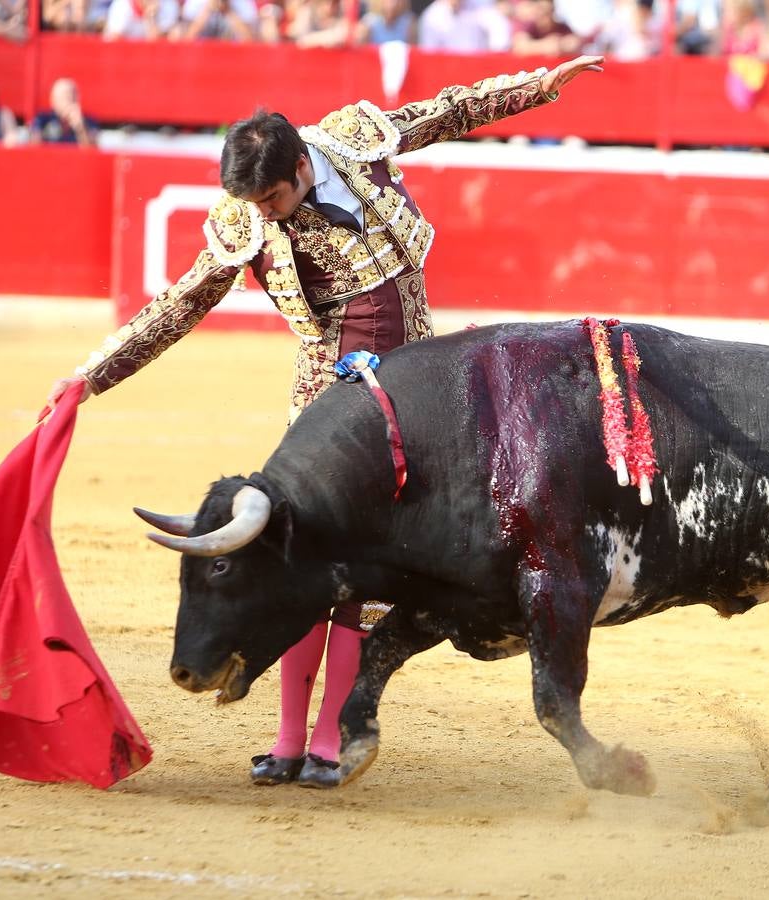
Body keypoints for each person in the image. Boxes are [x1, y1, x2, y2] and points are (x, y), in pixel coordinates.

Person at [46, 54, 606, 789]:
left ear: (304, 165)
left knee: (371, 573)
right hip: (326, 399)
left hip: (418, 388)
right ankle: (287, 739)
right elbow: (177, 307)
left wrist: (540, 85)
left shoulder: (355, 138)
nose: (266, 212)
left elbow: (451, 110)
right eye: (255, 201)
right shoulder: (245, 221)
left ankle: (332, 736)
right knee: (308, 557)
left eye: (274, 196)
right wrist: (90, 378)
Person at [30, 78, 98, 146]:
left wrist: (80, 129)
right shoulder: (43, 119)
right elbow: (33, 147)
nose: (65, 101)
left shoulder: (89, 122)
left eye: (68, 96)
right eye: (60, 97)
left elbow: (92, 152)